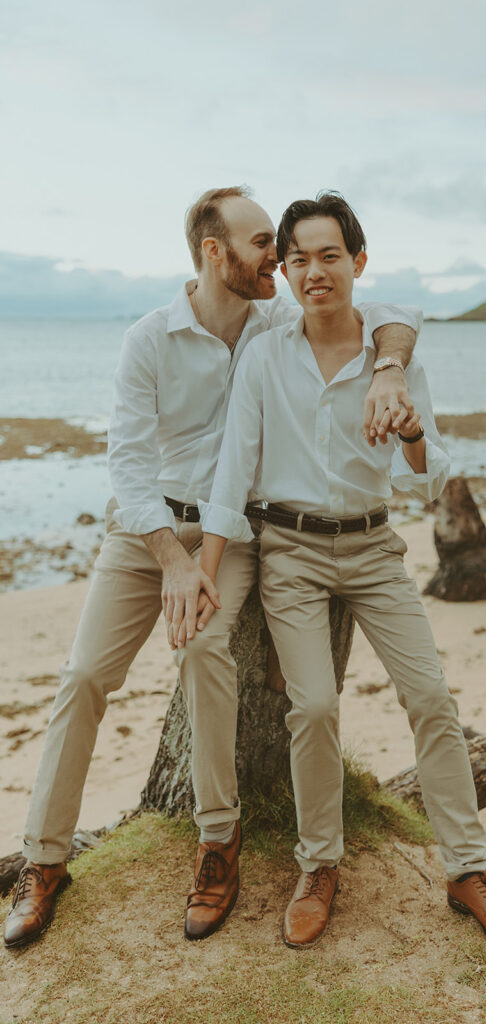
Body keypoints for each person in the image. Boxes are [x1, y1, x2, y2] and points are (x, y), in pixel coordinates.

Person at [3, 186, 421, 950]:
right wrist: (168, 558)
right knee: (83, 676)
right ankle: (43, 861)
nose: (280, 258)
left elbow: (383, 305)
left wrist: (390, 367)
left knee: (202, 648)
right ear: (212, 252)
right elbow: (126, 467)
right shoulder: (148, 338)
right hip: (146, 537)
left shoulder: (276, 316)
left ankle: (216, 842)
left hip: (235, 536)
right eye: (264, 243)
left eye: (281, 247)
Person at [195, 192, 486, 956]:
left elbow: (425, 477)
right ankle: (318, 867)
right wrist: (205, 569)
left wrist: (411, 430)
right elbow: (231, 470)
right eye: (297, 259)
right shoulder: (265, 353)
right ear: (282, 271)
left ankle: (468, 871)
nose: (313, 272)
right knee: (313, 706)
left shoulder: (395, 358)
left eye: (328, 256)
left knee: (431, 699)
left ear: (356, 263)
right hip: (288, 550)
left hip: (375, 549)